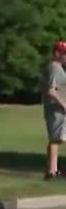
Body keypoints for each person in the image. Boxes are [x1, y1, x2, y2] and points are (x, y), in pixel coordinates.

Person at [40, 40, 66, 179]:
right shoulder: (54, 67)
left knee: (58, 139)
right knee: (55, 139)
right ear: (56, 53)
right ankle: (51, 170)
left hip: (59, 109)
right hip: (55, 109)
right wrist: (64, 104)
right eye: (64, 53)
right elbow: (51, 91)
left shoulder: (58, 68)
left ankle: (54, 169)